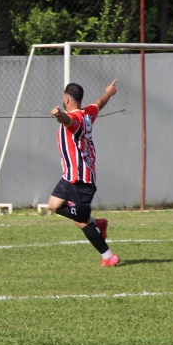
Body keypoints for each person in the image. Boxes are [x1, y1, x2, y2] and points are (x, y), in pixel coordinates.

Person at [48, 80, 119, 266]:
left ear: (66, 99)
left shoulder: (76, 120)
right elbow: (99, 104)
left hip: (80, 181)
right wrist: (108, 93)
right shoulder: (87, 114)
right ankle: (97, 222)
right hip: (69, 177)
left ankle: (108, 256)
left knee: (80, 221)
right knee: (54, 205)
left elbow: (67, 120)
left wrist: (59, 115)